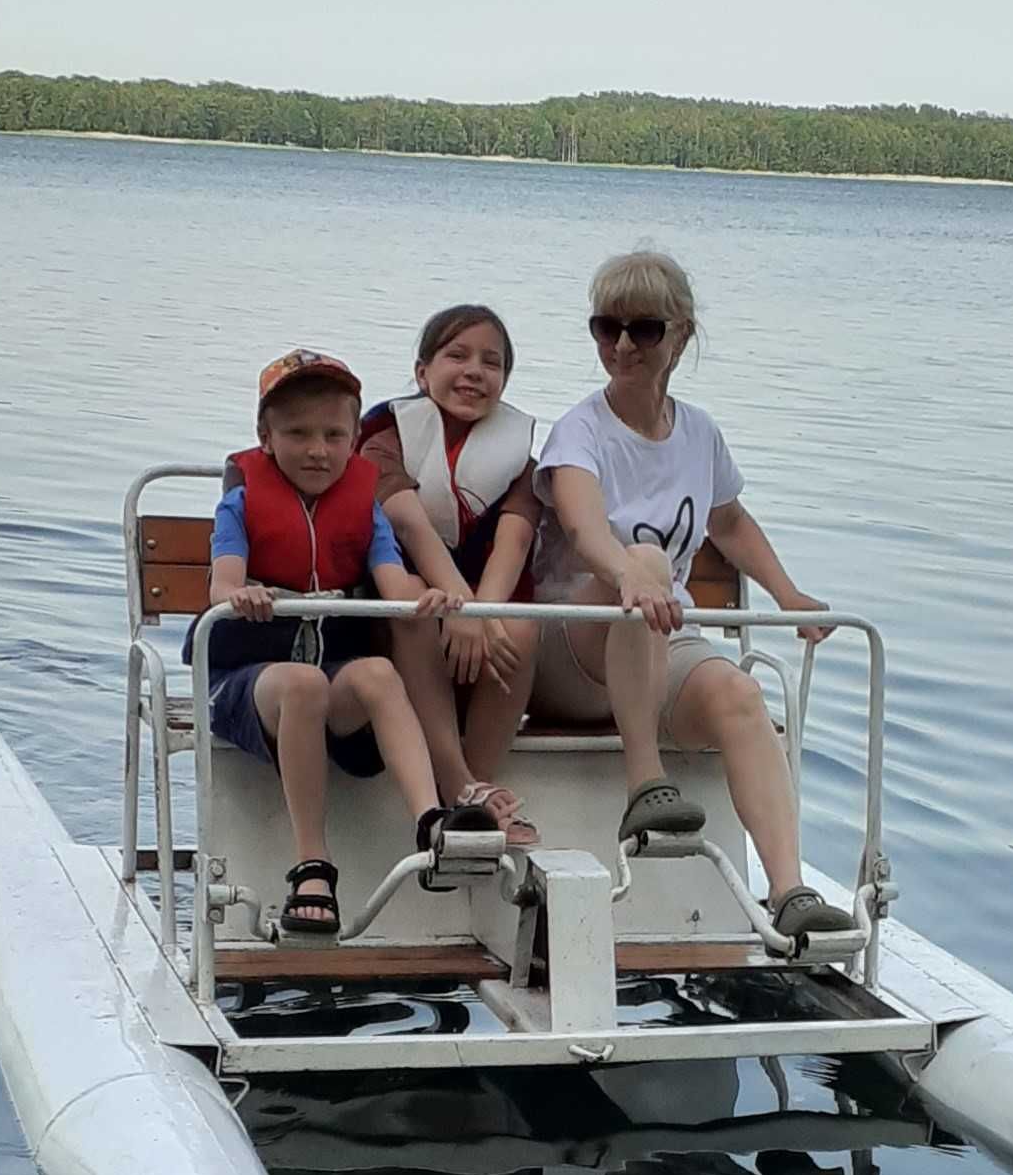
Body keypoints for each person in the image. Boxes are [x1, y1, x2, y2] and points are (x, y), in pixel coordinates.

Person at [530, 246, 855, 946]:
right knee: (643, 566)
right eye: (605, 327)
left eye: (642, 328)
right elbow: (585, 528)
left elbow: (728, 520)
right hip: (570, 642)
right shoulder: (580, 431)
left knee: (741, 696)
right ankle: (645, 784)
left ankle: (788, 890)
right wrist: (632, 574)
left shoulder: (699, 432)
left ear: (678, 334)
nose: (621, 344)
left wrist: (788, 595)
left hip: (654, 638)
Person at [210, 349, 461, 937]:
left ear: (352, 439)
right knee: (303, 683)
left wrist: (427, 596)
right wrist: (244, 592)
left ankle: (432, 822)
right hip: (249, 682)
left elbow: (394, 579)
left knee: (376, 672)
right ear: (265, 438)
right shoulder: (241, 502)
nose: (318, 449)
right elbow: (221, 581)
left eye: (332, 434)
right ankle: (311, 867)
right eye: (298, 434)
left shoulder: (365, 508)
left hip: (332, 675)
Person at [357, 302, 541, 822]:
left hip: (474, 630)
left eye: (492, 362)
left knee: (522, 627)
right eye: (456, 355)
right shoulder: (384, 436)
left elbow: (516, 542)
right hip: (397, 628)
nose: (474, 371)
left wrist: (479, 615)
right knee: (416, 597)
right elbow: (411, 526)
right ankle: (455, 780)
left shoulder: (521, 461)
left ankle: (474, 790)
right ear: (422, 372)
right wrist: (458, 607)